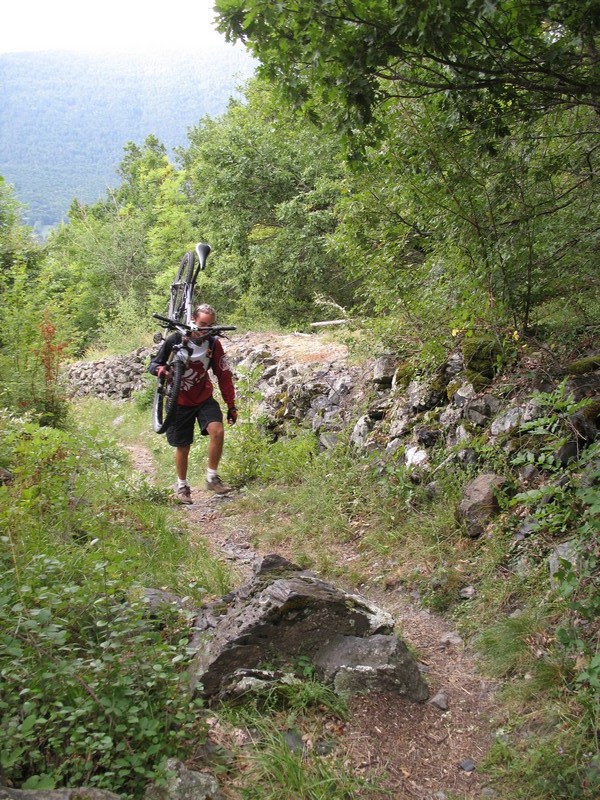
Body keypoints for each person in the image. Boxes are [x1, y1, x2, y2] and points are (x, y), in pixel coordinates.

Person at [148, 303, 237, 503]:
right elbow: (153, 364)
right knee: (183, 446)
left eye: (210, 325)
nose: (205, 329)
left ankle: (212, 477)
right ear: (194, 321)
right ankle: (182, 487)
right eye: (202, 324)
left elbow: (223, 376)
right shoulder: (176, 339)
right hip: (178, 401)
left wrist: (231, 405)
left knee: (218, 431)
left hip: (203, 397)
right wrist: (162, 371)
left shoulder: (214, 344)